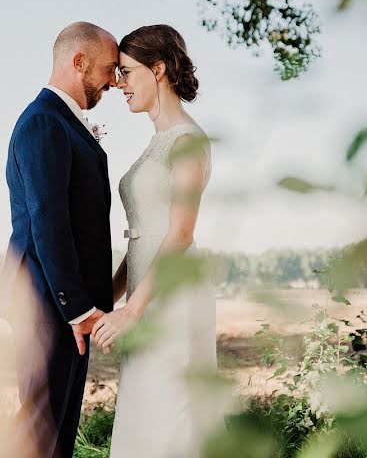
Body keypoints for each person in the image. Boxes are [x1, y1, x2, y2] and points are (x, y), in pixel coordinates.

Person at [92, 24, 223, 456]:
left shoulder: (187, 140)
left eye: (127, 72)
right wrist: (108, 298)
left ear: (159, 69)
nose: (118, 83)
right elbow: (144, 236)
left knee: (171, 418)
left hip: (173, 298)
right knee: (145, 415)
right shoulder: (157, 142)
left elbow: (180, 234)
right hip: (146, 296)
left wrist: (133, 308)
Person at [0, 21, 119, 458]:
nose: (113, 79)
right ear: (78, 61)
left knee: (57, 436)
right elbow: (48, 222)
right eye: (108, 69)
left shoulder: (62, 121)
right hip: (46, 304)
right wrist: (78, 308)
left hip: (62, 307)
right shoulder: (44, 123)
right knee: (39, 435)